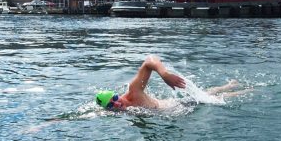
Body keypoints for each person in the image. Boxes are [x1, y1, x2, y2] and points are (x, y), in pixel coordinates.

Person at [95, 55, 252, 110]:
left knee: (214, 99)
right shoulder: (117, 113)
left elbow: (149, 61)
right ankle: (230, 86)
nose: (116, 104)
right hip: (172, 106)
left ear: (117, 95)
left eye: (114, 99)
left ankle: (248, 91)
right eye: (110, 105)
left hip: (177, 107)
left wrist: (164, 74)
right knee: (206, 94)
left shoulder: (133, 93)